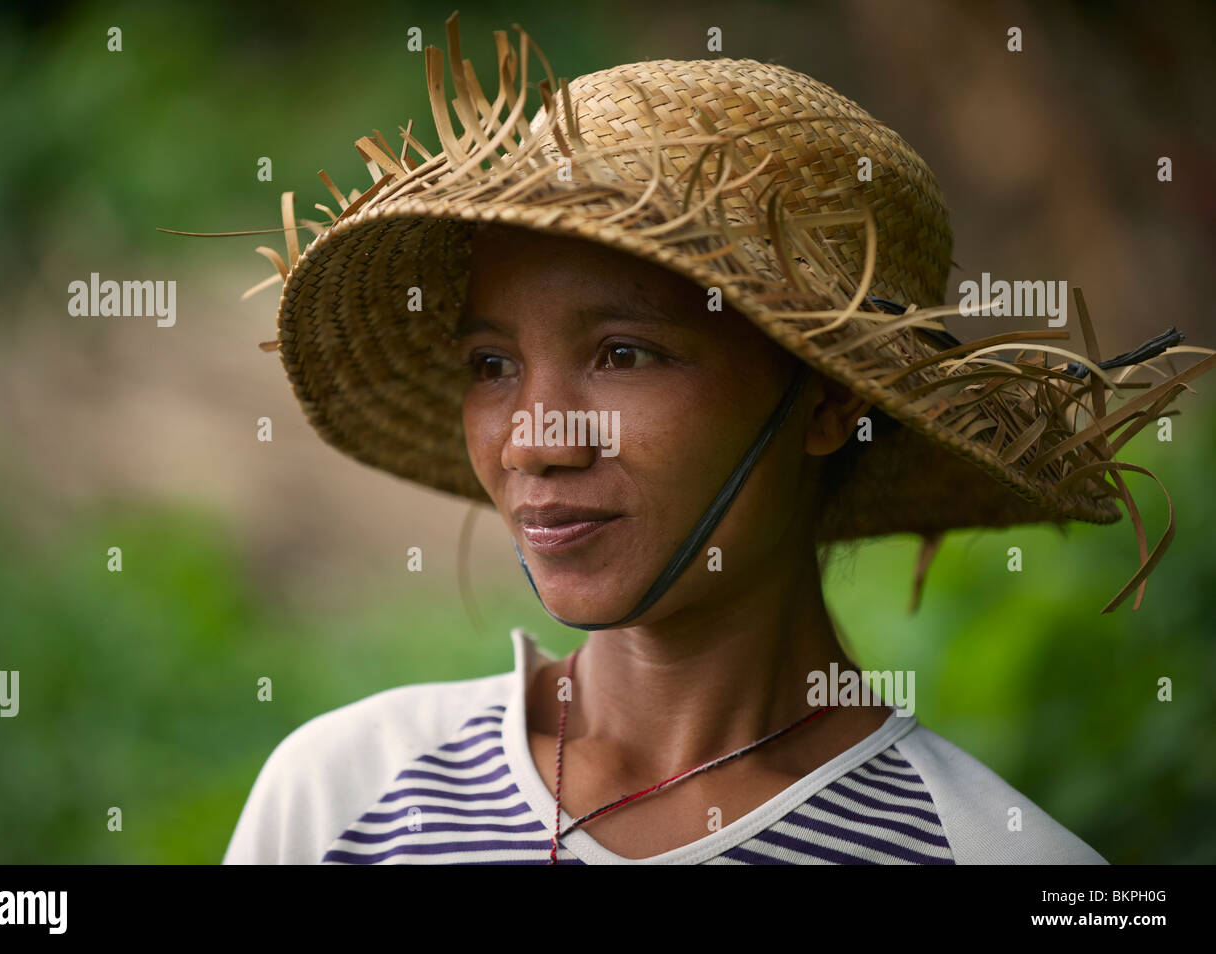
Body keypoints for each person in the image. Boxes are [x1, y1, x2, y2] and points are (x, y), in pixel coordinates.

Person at [208, 14, 1214, 864]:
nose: (536, 442)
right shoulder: (347, 797)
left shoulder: (992, 853)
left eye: (625, 353)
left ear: (826, 401)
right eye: (491, 366)